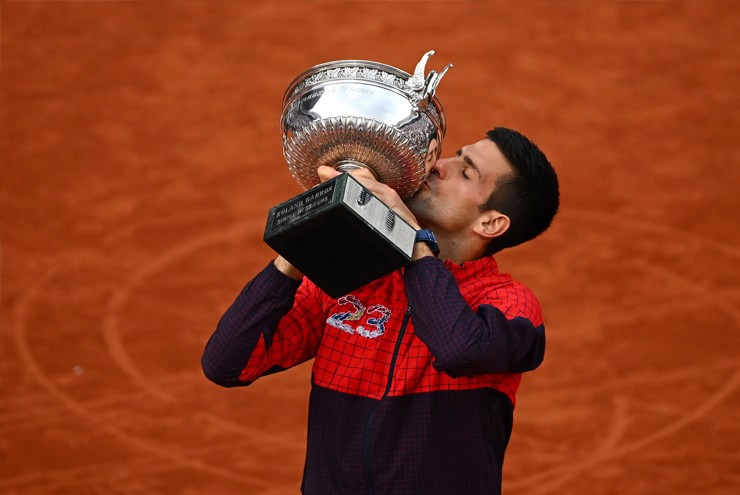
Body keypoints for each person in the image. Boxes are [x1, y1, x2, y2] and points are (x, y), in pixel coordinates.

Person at [201, 126, 560, 495]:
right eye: (454, 154)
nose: (438, 165)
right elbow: (227, 363)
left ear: (491, 223)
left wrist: (411, 239)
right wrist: (300, 247)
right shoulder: (358, 279)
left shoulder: (510, 304)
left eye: (466, 172)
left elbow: (458, 347)